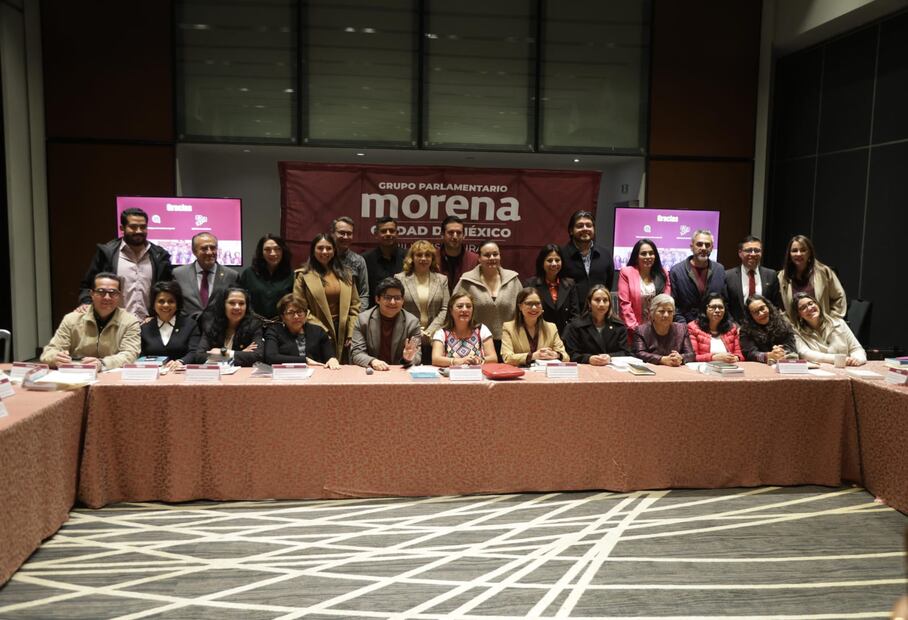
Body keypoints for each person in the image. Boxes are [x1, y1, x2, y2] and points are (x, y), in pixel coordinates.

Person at [78, 207, 173, 320]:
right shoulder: (107, 253)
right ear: (122, 228)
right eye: (133, 227)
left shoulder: (159, 256)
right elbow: (87, 285)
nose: (138, 231)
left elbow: (168, 290)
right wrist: (86, 303)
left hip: (149, 324)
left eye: (143, 227)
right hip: (115, 323)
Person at [41, 272, 141, 370]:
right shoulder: (71, 319)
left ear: (119, 296)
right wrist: (55, 358)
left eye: (113, 292)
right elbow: (49, 352)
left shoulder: (130, 321)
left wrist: (103, 363)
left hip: (110, 372)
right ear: (92, 294)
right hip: (77, 372)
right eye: (101, 291)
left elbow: (130, 353)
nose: (107, 297)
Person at [293, 233, 361, 361]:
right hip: (315, 330)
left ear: (334, 250)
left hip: (343, 332)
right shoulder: (303, 275)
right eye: (320, 248)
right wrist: (322, 330)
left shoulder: (346, 274)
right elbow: (300, 308)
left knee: (341, 368)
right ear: (313, 251)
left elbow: (355, 306)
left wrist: (351, 332)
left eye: (328, 248)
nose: (324, 252)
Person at [453, 240, 522, 358]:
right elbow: (454, 309)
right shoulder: (466, 281)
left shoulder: (513, 279)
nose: (492, 258)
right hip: (475, 342)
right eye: (487, 255)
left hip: (509, 343)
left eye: (495, 254)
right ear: (479, 258)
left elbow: (523, 310)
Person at [395, 239, 449, 363]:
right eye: (419, 255)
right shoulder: (400, 279)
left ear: (432, 258)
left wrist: (430, 331)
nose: (423, 258)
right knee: (409, 369)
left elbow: (445, 308)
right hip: (408, 335)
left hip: (435, 336)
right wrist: (416, 330)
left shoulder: (442, 280)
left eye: (427, 255)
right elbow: (397, 307)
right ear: (412, 258)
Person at [351, 277, 422, 370]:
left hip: (399, 372)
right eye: (387, 297)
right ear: (377, 299)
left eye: (397, 298)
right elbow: (356, 353)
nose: (392, 302)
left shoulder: (412, 323)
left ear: (403, 300)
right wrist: (372, 361)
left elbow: (417, 356)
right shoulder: (363, 320)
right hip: (371, 371)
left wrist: (408, 359)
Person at [778, 234, 847, 324]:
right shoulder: (782, 276)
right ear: (789, 254)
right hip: (795, 328)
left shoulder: (824, 272)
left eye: (803, 250)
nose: (798, 254)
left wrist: (832, 320)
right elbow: (780, 307)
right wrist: (788, 324)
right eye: (794, 251)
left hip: (822, 327)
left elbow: (839, 297)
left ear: (809, 253)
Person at [188, 286, 263, 366]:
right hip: (216, 372)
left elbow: (257, 356)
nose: (237, 307)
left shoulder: (254, 325)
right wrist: (241, 354)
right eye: (232, 303)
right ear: (223, 305)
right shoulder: (211, 325)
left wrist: (225, 352)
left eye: (241, 303)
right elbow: (199, 356)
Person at [172, 232, 238, 319]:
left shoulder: (231, 276)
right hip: (188, 326)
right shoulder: (178, 274)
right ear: (194, 251)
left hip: (218, 326)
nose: (209, 252)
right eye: (204, 248)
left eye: (213, 248)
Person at [263, 293, 339, 368]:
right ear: (283, 317)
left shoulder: (318, 331)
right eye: (290, 313)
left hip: (316, 372)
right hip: (286, 373)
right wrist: (304, 360)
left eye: (299, 312)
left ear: (306, 314)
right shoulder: (274, 331)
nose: (296, 316)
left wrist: (332, 359)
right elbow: (271, 357)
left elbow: (329, 356)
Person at [618, 238, 671, 343]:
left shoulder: (663, 273)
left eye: (651, 253)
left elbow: (666, 303)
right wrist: (637, 330)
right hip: (633, 331)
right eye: (643, 254)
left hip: (659, 331)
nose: (648, 256)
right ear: (636, 256)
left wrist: (659, 328)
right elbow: (624, 305)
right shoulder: (626, 272)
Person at [562, 284, 630, 365]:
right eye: (597, 300)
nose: (601, 304)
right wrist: (588, 359)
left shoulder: (619, 326)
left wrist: (610, 357)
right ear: (589, 303)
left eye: (605, 300)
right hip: (585, 368)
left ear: (609, 303)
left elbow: (626, 352)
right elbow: (569, 354)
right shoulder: (575, 326)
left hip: (611, 368)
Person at [140, 280, 200, 371]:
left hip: (180, 373)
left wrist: (181, 362)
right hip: (152, 374)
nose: (166, 305)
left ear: (177, 304)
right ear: (153, 304)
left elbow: (194, 352)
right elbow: (141, 355)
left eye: (171, 301)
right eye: (161, 301)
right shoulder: (144, 328)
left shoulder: (190, 325)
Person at [669, 229, 727, 323]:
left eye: (707, 245)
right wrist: (684, 326)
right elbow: (673, 304)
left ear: (712, 248)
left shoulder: (719, 270)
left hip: (713, 325)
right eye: (699, 244)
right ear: (691, 247)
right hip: (686, 326)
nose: (703, 248)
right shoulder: (677, 271)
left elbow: (725, 301)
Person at [791, 292, 866, 366]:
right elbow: (805, 354)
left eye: (811, 303)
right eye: (803, 307)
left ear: (817, 304)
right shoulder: (796, 333)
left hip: (846, 369)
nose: (809, 308)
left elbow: (857, 349)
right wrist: (839, 359)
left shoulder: (839, 323)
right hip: (819, 372)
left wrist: (857, 360)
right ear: (799, 315)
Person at [501, 287, 569, 366]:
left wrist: (556, 355)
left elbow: (566, 357)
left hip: (544, 372)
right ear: (520, 306)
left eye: (537, 303)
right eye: (529, 303)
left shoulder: (551, 327)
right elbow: (507, 358)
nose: (534, 308)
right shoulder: (508, 327)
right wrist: (532, 356)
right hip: (520, 372)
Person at [559, 209, 615, 303]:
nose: (585, 229)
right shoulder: (561, 255)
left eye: (589, 225)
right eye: (580, 226)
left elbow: (608, 285)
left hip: (598, 309)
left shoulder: (605, 255)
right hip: (570, 310)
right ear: (571, 231)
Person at [522, 244, 580, 334]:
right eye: (549, 260)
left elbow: (575, 315)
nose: (554, 264)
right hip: (539, 334)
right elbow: (526, 314)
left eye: (557, 260)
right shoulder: (530, 284)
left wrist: (566, 336)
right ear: (542, 263)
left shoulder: (570, 284)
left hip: (566, 336)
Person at [724, 235, 782, 324]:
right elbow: (725, 305)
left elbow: (775, 305)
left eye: (757, 250)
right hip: (737, 327)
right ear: (740, 253)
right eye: (748, 250)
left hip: (764, 327)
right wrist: (734, 326)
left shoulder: (771, 275)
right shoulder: (728, 276)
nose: (753, 254)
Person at [431, 291, 498, 366]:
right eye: (460, 306)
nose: (465, 310)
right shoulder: (441, 333)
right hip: (451, 373)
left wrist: (478, 360)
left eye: (468, 306)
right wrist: (459, 361)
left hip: (477, 372)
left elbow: (493, 358)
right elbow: (435, 359)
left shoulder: (482, 329)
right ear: (451, 310)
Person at [238, 234, 294, 321]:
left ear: (283, 251)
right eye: (267, 249)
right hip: (253, 323)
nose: (273, 253)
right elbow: (241, 300)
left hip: (281, 324)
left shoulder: (291, 275)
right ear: (261, 252)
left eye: (277, 249)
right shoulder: (249, 274)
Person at [633, 294, 696, 366]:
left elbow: (691, 354)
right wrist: (661, 359)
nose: (666, 315)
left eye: (670, 311)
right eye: (662, 311)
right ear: (652, 313)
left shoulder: (682, 329)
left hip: (675, 369)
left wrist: (680, 358)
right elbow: (638, 354)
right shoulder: (641, 330)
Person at [685, 293, 745, 363]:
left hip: (729, 367)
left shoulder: (732, 328)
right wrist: (713, 357)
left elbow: (739, 354)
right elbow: (692, 357)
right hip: (704, 368)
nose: (717, 310)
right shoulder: (693, 328)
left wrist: (736, 358)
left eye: (720, 307)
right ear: (705, 309)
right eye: (713, 307)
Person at [739, 294, 796, 364]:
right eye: (755, 312)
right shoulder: (746, 330)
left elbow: (791, 346)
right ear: (750, 315)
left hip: (784, 363)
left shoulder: (784, 322)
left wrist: (780, 351)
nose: (761, 313)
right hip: (759, 366)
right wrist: (767, 356)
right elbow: (749, 353)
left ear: (768, 306)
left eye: (762, 308)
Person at [362, 216, 406, 309]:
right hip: (373, 311)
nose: (388, 234)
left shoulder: (408, 258)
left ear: (397, 233)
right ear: (376, 234)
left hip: (402, 311)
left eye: (392, 231)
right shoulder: (365, 259)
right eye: (383, 231)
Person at [331, 216, 369, 310]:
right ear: (332, 233)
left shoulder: (358, 261)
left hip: (351, 314)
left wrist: (357, 316)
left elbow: (364, 295)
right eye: (341, 233)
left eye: (349, 233)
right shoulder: (321, 257)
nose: (346, 237)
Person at [436, 215, 479, 293]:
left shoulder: (475, 260)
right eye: (450, 232)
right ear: (442, 234)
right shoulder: (432, 258)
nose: (455, 236)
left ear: (464, 236)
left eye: (459, 233)